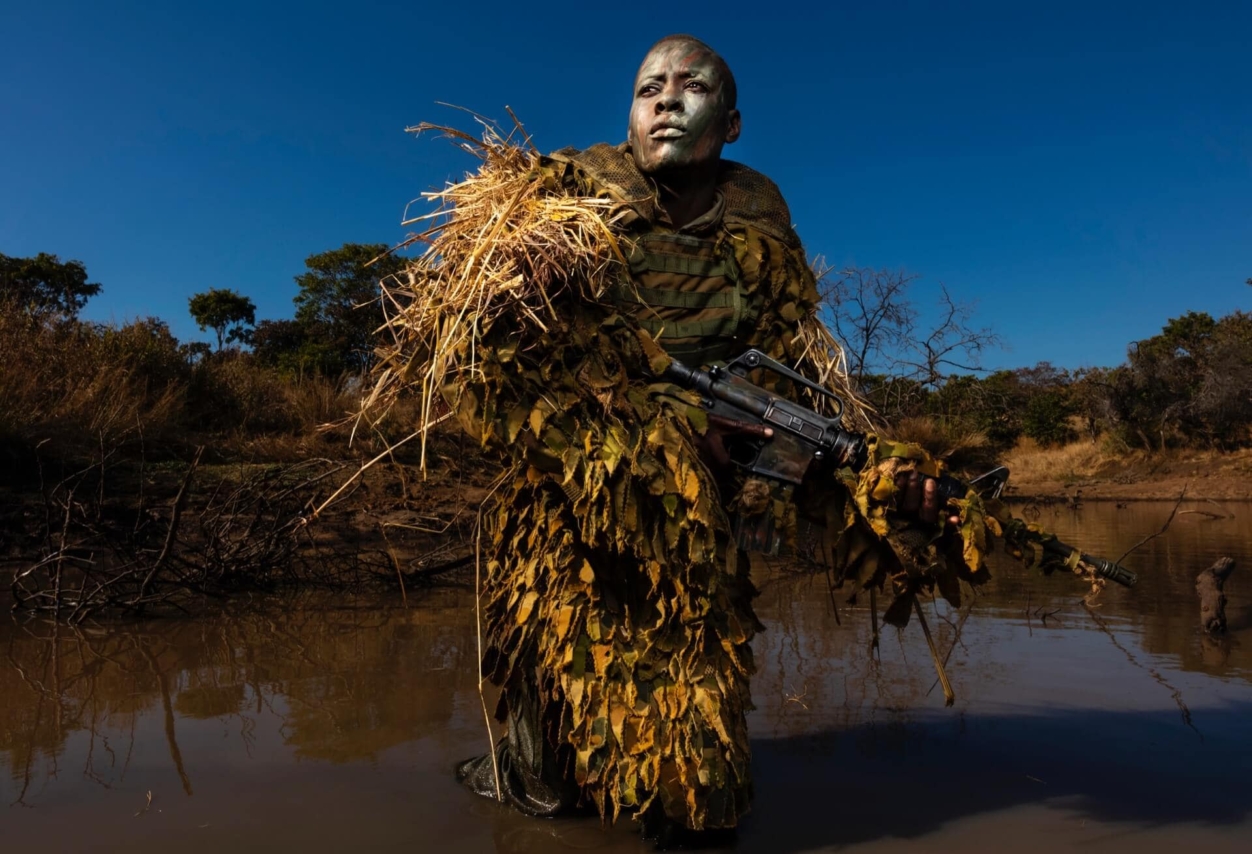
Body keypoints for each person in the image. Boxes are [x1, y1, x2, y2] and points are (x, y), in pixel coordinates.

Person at [450, 34, 964, 840]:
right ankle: (543, 777)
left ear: (730, 122)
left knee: (695, 740)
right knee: (552, 719)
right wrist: (641, 434)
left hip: (699, 512)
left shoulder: (758, 223)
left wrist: (870, 470)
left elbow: (795, 382)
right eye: (649, 86)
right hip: (569, 500)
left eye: (692, 88)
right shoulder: (564, 200)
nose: (666, 99)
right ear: (629, 115)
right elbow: (492, 370)